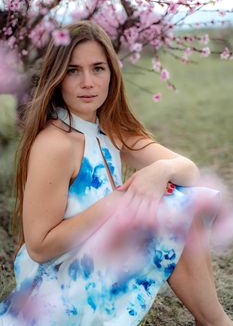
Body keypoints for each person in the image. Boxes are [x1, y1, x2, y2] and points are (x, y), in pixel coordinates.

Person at [0, 20, 232, 326]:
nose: (87, 82)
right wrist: (118, 204)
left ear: (111, 74)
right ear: (57, 77)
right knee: (175, 208)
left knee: (180, 201)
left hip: (97, 264)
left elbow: (189, 172)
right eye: (73, 70)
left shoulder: (107, 130)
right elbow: (40, 248)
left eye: (98, 68)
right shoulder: (55, 143)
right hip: (60, 288)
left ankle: (215, 321)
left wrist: (160, 170)